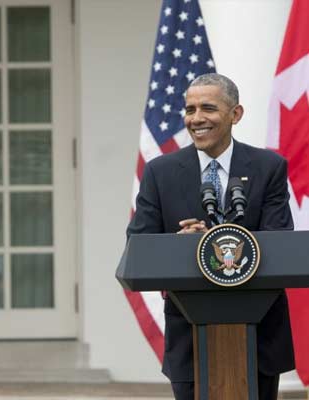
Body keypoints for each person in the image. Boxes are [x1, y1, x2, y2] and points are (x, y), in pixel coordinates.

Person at [127, 73, 294, 400]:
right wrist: (180, 245)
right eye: (190, 110)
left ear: (236, 114)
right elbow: (138, 247)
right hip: (190, 337)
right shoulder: (159, 172)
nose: (196, 118)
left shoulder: (268, 167)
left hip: (259, 336)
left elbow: (279, 242)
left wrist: (213, 243)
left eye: (208, 108)